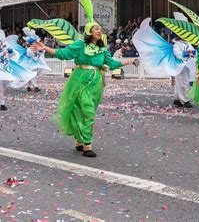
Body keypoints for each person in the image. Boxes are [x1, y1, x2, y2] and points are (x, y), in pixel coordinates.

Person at [32, 23, 137, 158]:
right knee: (84, 110)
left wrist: (130, 61)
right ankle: (87, 145)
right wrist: (45, 47)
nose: (99, 31)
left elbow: (111, 64)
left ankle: (79, 140)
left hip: (96, 83)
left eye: (100, 29)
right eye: (96, 29)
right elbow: (64, 54)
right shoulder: (80, 45)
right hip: (80, 80)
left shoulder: (102, 48)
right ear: (89, 32)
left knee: (87, 109)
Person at [172, 38, 196, 108]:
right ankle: (186, 100)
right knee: (184, 83)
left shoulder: (188, 43)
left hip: (187, 65)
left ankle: (177, 100)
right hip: (179, 66)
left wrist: (192, 52)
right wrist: (187, 53)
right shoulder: (176, 45)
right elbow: (178, 54)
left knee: (179, 83)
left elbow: (193, 51)